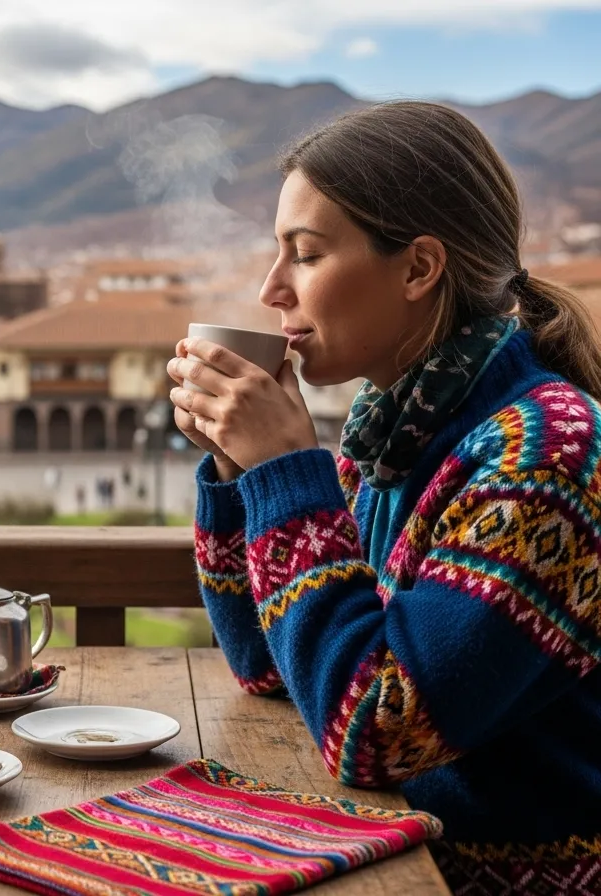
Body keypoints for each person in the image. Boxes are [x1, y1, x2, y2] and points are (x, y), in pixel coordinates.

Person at [169, 101, 601, 891]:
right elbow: (269, 665)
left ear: (417, 268)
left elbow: (376, 730)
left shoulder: (546, 455)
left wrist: (285, 471)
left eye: (304, 255)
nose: (272, 290)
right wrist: (239, 473)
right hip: (395, 862)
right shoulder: (394, 440)